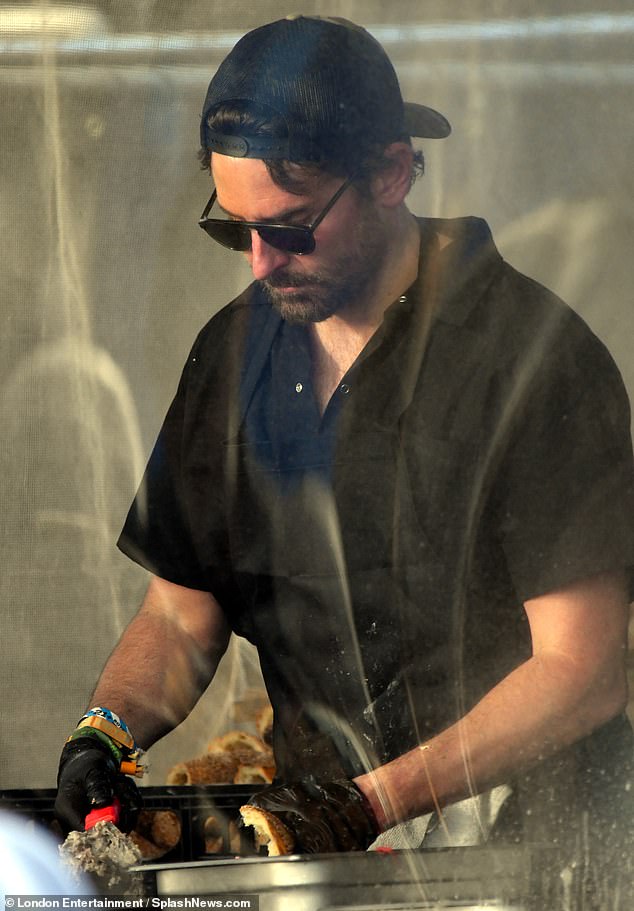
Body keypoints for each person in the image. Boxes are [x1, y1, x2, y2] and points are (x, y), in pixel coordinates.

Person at [56, 13, 633, 889]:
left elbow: (582, 669)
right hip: (327, 860)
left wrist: (370, 802)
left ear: (391, 172)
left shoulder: (532, 359)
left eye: (289, 230)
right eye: (235, 228)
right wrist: (107, 730)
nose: (258, 263)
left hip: (541, 858)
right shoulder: (233, 355)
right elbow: (181, 612)